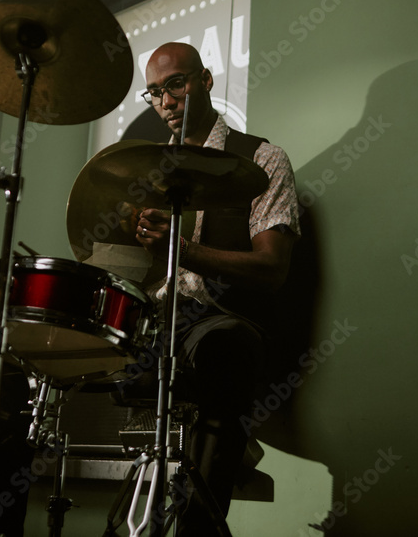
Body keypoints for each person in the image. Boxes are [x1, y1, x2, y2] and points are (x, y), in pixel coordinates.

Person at [131, 42, 300, 535]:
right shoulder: (145, 171)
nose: (166, 101)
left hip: (214, 319)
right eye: (155, 92)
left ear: (205, 81)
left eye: (176, 84)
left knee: (228, 345)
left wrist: (185, 251)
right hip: (150, 320)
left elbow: (272, 268)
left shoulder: (261, 159)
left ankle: (198, 529)